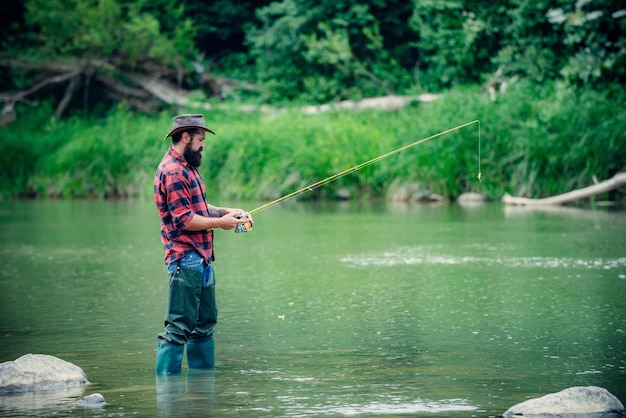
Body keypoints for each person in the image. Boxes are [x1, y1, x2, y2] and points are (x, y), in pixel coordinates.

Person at [154, 114, 253, 375]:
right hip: (185, 258)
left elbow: (199, 208)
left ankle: (202, 387)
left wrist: (227, 212)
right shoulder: (174, 171)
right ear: (185, 137)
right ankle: (168, 392)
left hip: (203, 258)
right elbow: (183, 219)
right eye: (200, 139)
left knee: (205, 324)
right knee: (179, 327)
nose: (203, 145)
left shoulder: (187, 167)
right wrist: (221, 223)